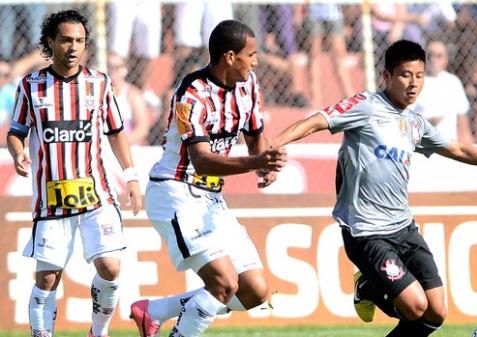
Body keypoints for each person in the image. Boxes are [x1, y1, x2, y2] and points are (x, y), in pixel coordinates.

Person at [270, 39, 477, 337]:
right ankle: (368, 287)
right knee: (414, 306)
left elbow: (460, 150)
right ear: (386, 77)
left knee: (435, 314)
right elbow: (315, 122)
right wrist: (271, 148)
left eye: (420, 76)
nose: (413, 84)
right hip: (366, 232)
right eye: (405, 75)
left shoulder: (415, 124)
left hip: (404, 228)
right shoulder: (366, 106)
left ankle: (371, 289)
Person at [130, 20, 287, 337]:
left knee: (254, 290)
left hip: (212, 200)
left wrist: (264, 164)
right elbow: (201, 161)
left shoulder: (249, 84)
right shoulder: (191, 94)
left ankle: (154, 311)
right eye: (252, 54)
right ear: (230, 56)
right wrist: (254, 161)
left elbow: (255, 135)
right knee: (224, 283)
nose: (256, 61)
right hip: (177, 193)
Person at [6, 9, 142, 337]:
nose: (73, 47)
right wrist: (19, 152)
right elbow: (16, 131)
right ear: (50, 42)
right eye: (66, 40)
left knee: (110, 267)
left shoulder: (99, 83)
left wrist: (133, 175)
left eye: (80, 41)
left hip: (97, 195)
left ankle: (98, 332)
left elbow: (116, 132)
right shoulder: (31, 85)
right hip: (52, 200)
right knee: (48, 278)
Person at [414, 39, 472, 142]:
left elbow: (462, 121)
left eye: (439, 56)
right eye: (430, 55)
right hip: (421, 145)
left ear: (446, 60)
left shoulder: (453, 82)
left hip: (449, 145)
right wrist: (427, 123)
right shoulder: (413, 82)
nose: (433, 59)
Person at [107, 53, 152, 145]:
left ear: (124, 70)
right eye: (109, 66)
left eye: (116, 67)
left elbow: (143, 127)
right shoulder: (99, 92)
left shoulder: (132, 94)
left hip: (128, 146)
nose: (112, 71)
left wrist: (122, 144)